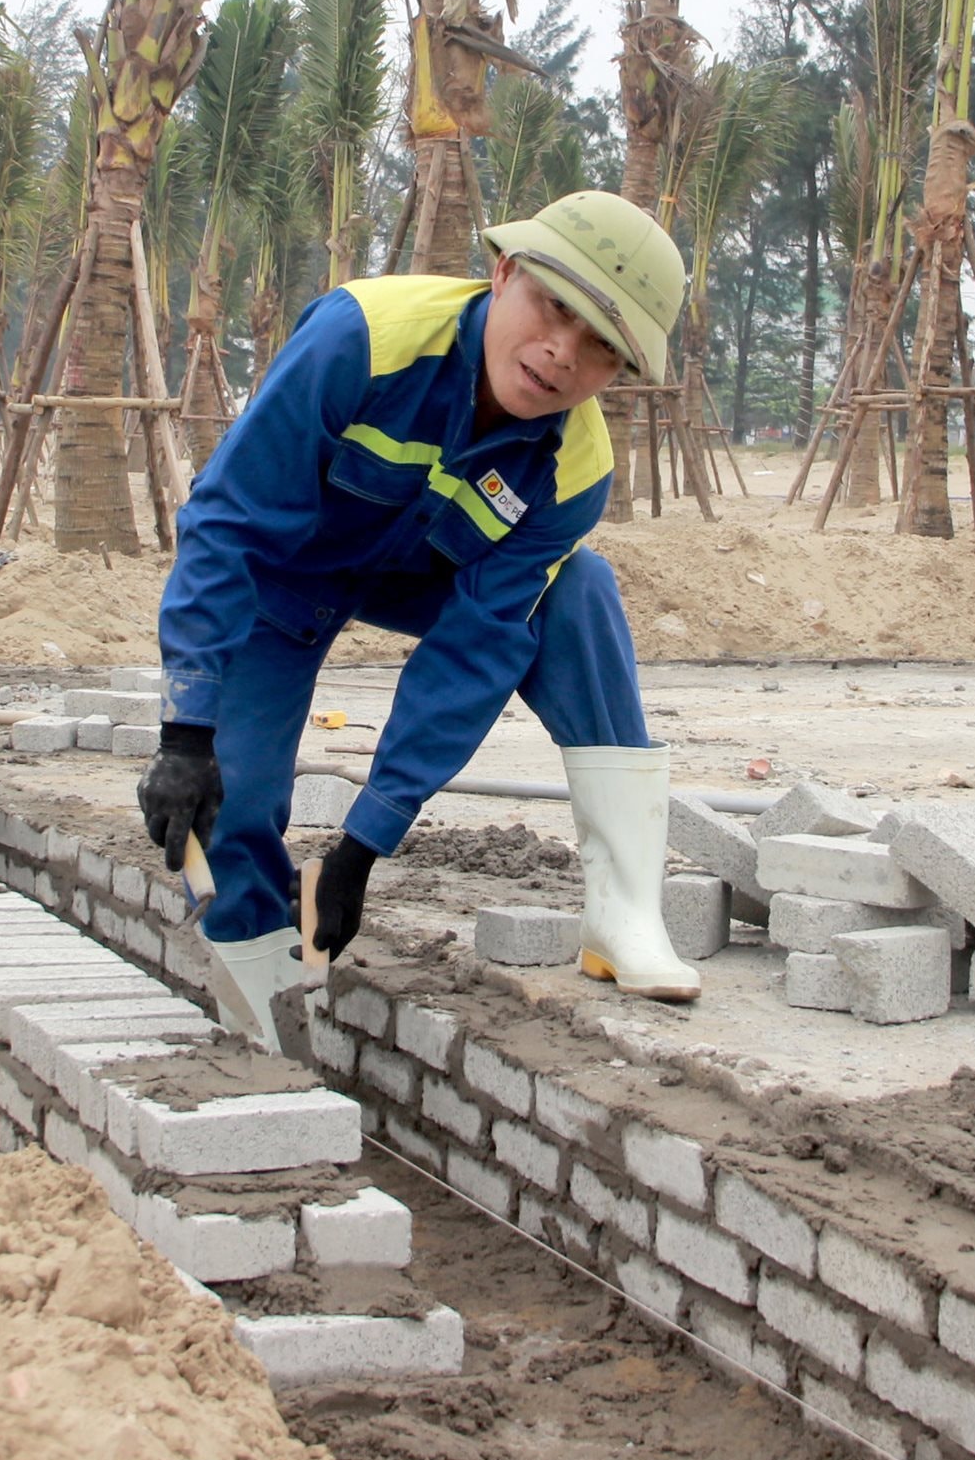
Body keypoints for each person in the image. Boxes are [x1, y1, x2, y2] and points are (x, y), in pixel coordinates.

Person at [137, 189, 700, 1053]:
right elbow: (229, 521)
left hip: (419, 578)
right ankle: (259, 1000)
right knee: (229, 797)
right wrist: (186, 728)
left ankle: (623, 910)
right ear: (503, 271)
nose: (562, 354)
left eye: (601, 348)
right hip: (285, 580)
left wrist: (367, 839)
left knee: (579, 591)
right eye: (554, 308)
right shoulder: (363, 339)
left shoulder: (576, 466)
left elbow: (476, 649)